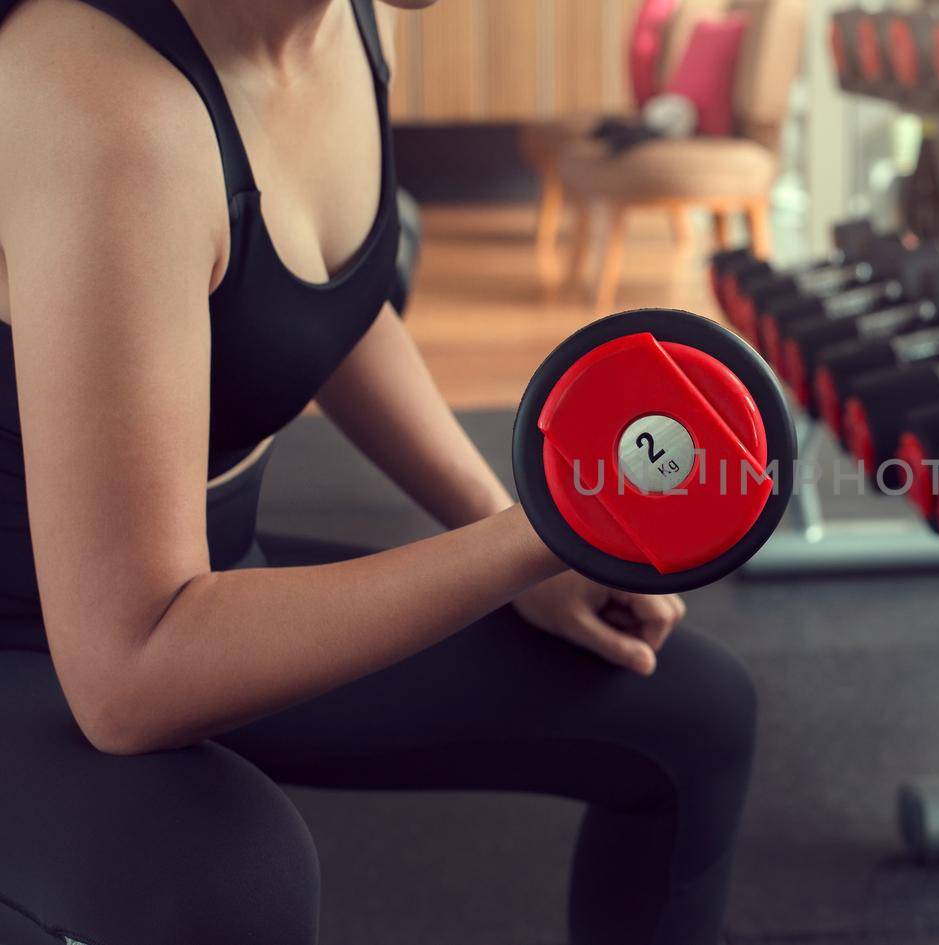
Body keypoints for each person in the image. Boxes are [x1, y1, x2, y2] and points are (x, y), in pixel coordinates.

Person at [0, 1, 757, 943]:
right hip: (60, 650)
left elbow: (323, 300)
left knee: (692, 710)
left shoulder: (354, 21)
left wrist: (509, 520)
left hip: (206, 585)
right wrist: (542, 532)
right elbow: (131, 672)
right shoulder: (104, 106)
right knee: (229, 883)